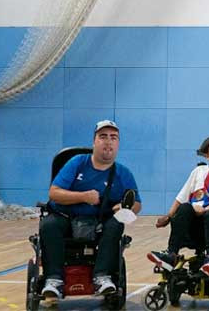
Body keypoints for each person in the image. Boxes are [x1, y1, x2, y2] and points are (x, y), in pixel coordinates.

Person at [39, 120, 142, 304]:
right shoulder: (77, 163)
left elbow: (137, 205)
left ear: (118, 144)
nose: (108, 142)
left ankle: (102, 276)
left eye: (113, 138)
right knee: (48, 224)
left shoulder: (123, 173)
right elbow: (54, 193)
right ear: (94, 141)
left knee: (117, 222)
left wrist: (126, 208)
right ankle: (54, 279)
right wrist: (83, 196)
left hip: (100, 221)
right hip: (66, 217)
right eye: (103, 137)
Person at [148, 135, 209, 279]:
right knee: (185, 208)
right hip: (195, 224)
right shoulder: (199, 172)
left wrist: (203, 210)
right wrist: (168, 216)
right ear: (207, 156)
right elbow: (182, 196)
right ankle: (171, 254)